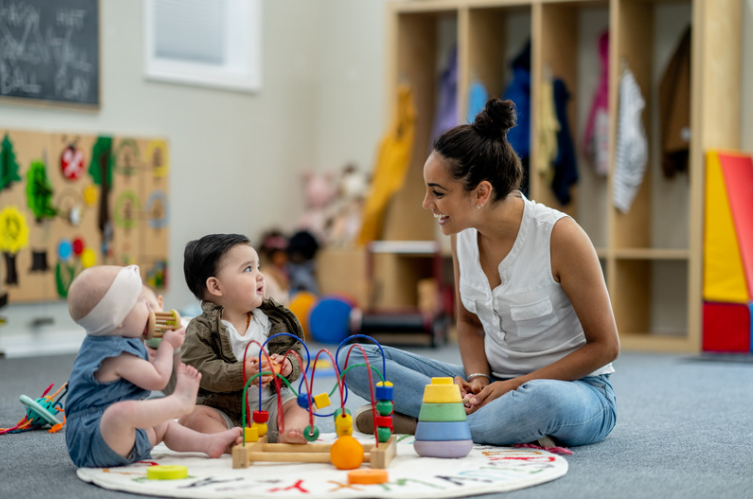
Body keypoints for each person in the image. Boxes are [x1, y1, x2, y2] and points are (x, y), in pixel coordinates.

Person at [338, 98, 619, 448]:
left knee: (539, 403)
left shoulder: (561, 236)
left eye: (437, 193)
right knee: (354, 359)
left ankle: (418, 424)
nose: (427, 204)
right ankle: (481, 420)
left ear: (481, 193)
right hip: (492, 384)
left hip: (573, 391)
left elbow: (605, 347)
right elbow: (469, 324)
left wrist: (512, 388)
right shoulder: (462, 236)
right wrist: (478, 379)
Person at [64, 265, 242, 468]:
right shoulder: (114, 355)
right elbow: (158, 379)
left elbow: (136, 375)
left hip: (125, 439)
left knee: (163, 424)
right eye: (141, 301)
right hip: (95, 439)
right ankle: (179, 402)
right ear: (118, 318)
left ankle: (207, 443)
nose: (149, 307)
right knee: (118, 413)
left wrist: (149, 358)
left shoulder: (114, 343)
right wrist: (167, 346)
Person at [179, 233, 310, 444]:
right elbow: (200, 370)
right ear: (216, 287)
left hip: (269, 404)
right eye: (248, 269)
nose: (260, 276)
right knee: (192, 417)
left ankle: (291, 431)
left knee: (300, 405)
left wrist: (287, 365)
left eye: (258, 267)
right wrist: (241, 373)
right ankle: (228, 439)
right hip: (223, 411)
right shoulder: (201, 329)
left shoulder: (273, 320)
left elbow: (294, 352)